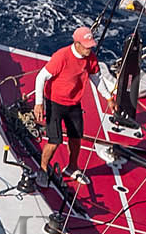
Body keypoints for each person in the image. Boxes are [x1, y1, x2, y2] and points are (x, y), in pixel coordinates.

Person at [33, 26, 100, 188]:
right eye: (86, 46)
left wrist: (108, 97)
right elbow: (41, 77)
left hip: (74, 104)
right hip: (55, 103)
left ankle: (72, 168)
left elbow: (96, 77)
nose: (89, 49)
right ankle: (42, 168)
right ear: (77, 44)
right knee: (55, 141)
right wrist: (39, 103)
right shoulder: (61, 57)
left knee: (76, 138)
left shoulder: (91, 58)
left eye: (91, 45)